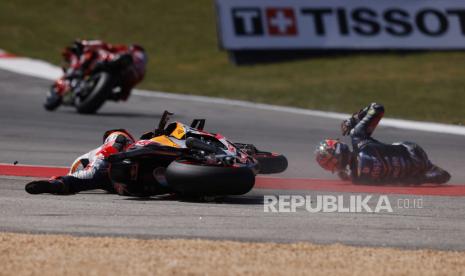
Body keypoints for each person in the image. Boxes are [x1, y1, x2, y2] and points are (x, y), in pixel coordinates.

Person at [315, 103, 451, 184]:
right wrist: (352, 120)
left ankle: (428, 175)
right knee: (438, 176)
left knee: (435, 177)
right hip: (413, 155)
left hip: (413, 169)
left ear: (337, 153)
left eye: (329, 163)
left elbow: (379, 108)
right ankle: (428, 173)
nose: (330, 167)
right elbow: (377, 107)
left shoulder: (357, 179)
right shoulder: (357, 138)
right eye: (327, 166)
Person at [62, 39, 147, 101]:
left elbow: (107, 46)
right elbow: (127, 90)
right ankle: (81, 68)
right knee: (96, 48)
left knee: (98, 47)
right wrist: (121, 95)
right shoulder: (140, 73)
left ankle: (84, 49)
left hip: (110, 72)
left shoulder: (136, 71)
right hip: (105, 67)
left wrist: (118, 95)